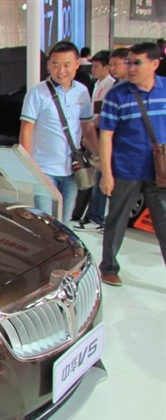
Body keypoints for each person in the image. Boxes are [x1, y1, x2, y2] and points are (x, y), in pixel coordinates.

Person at [98, 41, 166, 286]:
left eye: (137, 62)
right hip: (126, 169)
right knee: (117, 220)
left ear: (155, 64)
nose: (131, 67)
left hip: (159, 171)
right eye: (129, 62)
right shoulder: (116, 95)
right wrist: (107, 173)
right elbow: (106, 136)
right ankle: (108, 267)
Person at [20, 40, 99, 224]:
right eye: (55, 65)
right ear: (48, 65)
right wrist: (28, 167)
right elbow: (26, 129)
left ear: (77, 64)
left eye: (66, 64)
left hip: (72, 168)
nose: (61, 70)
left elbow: (87, 128)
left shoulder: (82, 92)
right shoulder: (37, 93)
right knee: (45, 221)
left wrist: (99, 155)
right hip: (43, 169)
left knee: (64, 221)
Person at [74, 50, 114, 231]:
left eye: (97, 67)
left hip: (100, 134)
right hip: (92, 133)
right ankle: (85, 214)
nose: (93, 70)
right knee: (88, 175)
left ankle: (96, 217)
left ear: (106, 67)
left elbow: (101, 115)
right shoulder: (97, 85)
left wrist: (89, 129)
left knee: (98, 176)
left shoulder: (110, 86)